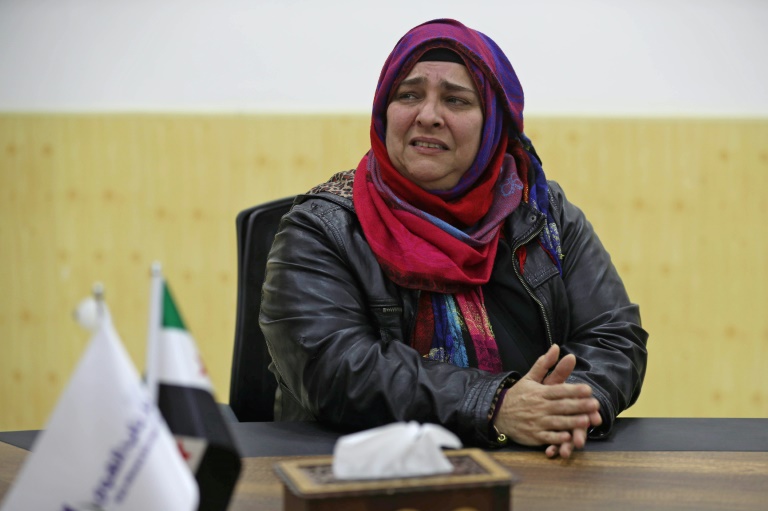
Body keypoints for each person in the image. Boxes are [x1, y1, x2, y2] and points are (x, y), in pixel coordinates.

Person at [260, 18, 648, 458]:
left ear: (493, 123)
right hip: (361, 471)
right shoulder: (321, 228)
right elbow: (335, 366)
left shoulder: (543, 212)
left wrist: (563, 409)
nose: (428, 115)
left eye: (455, 100)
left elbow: (615, 336)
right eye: (409, 95)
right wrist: (495, 406)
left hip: (537, 463)